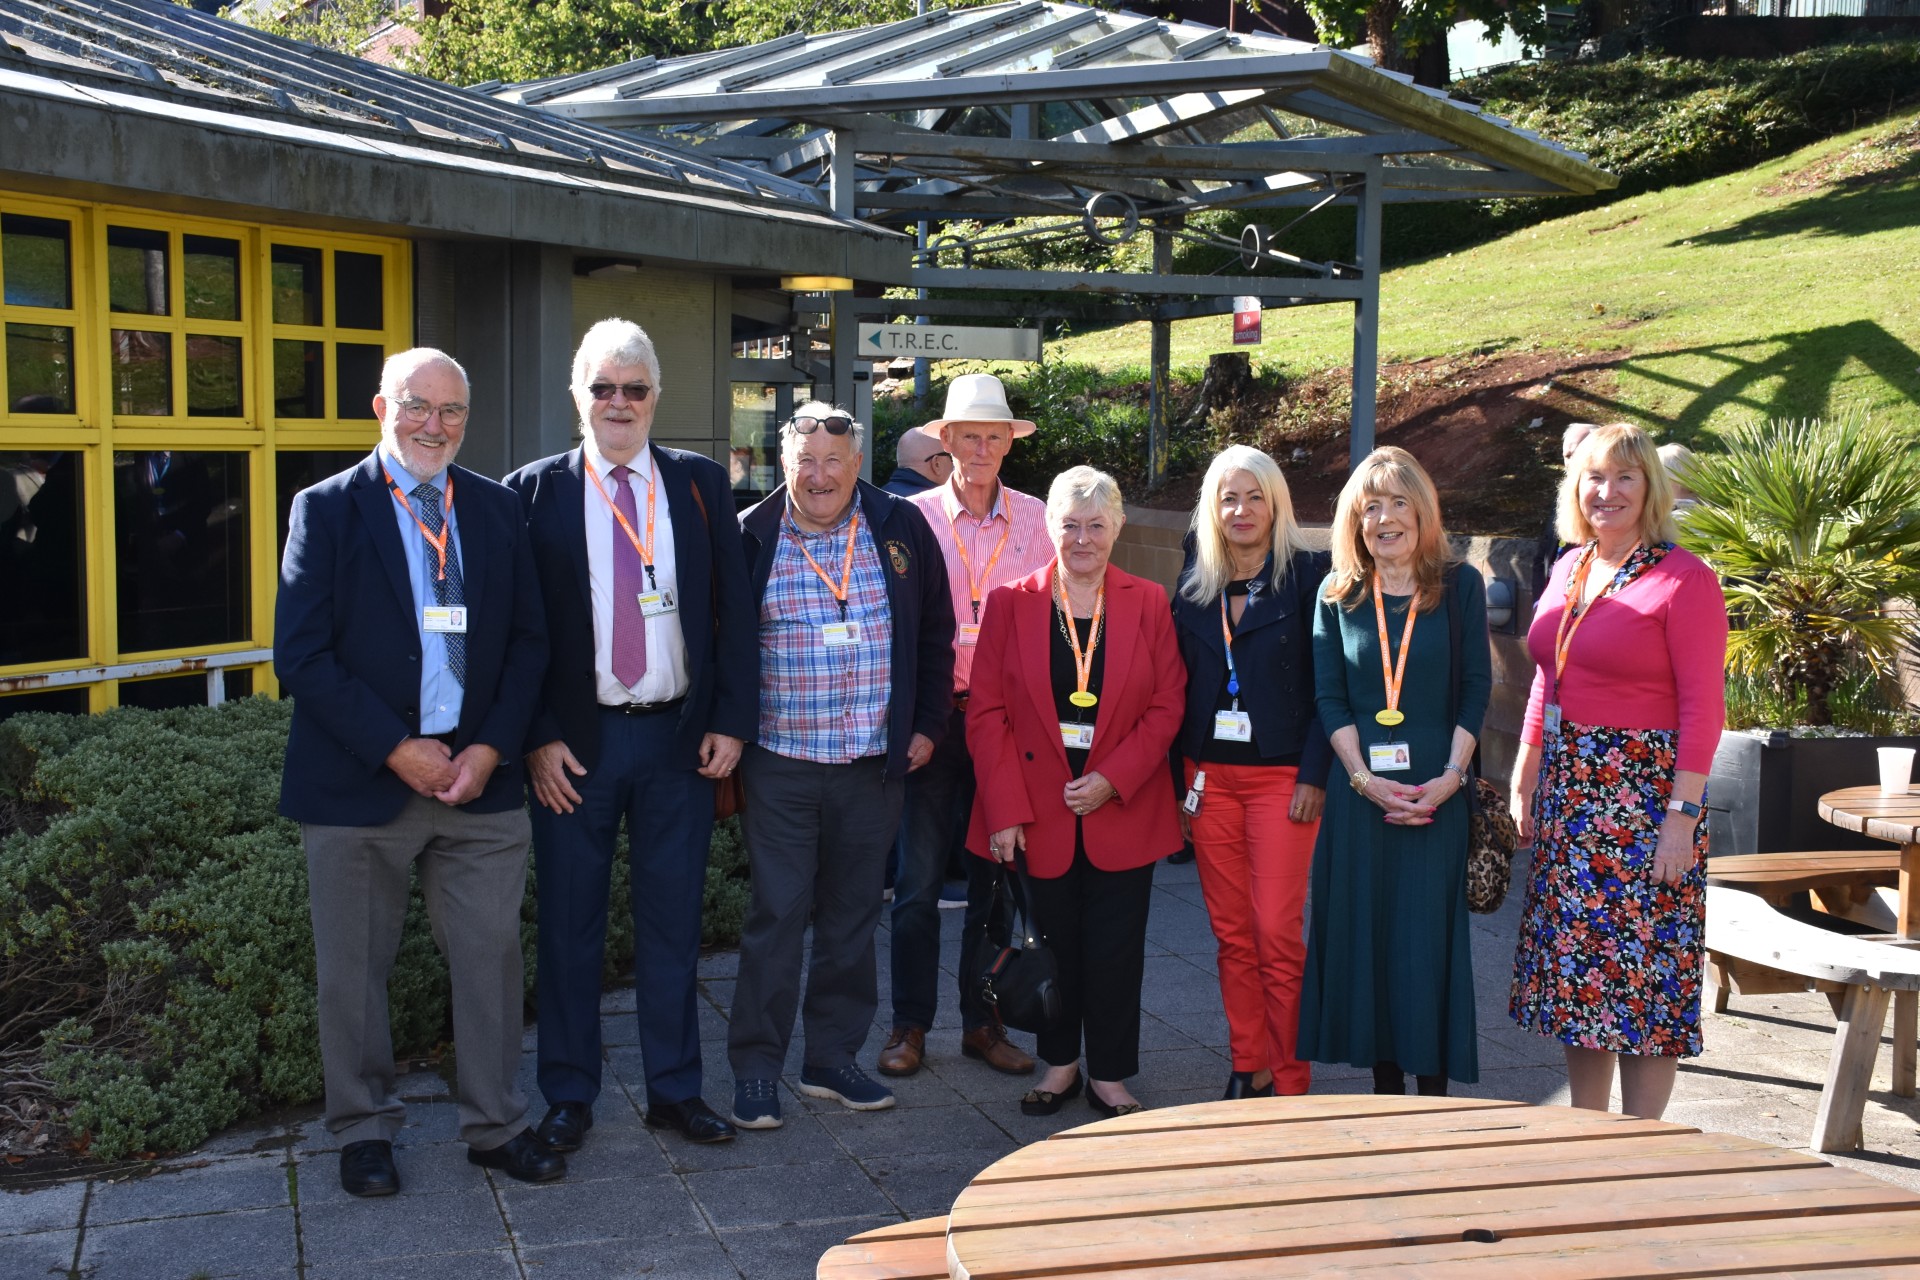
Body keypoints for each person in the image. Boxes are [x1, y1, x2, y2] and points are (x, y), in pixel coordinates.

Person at [275, 348, 558, 1196]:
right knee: (353, 971)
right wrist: (396, 749)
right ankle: (363, 1129)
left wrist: (490, 748)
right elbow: (301, 654)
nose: (434, 425)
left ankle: (496, 1125)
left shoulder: (497, 508)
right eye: (417, 406)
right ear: (381, 408)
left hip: (478, 781)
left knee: (490, 959)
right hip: (361, 781)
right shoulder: (326, 508)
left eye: (452, 410)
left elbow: (529, 643)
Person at [505, 319, 757, 1152]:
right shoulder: (530, 491)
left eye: (635, 389)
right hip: (574, 749)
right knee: (569, 926)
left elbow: (734, 614)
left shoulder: (699, 484)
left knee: (673, 924)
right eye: (603, 387)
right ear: (576, 395)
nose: (619, 402)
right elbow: (515, 632)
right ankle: (568, 1093)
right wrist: (537, 736)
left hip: (678, 742)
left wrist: (730, 720)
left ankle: (674, 1090)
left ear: (656, 397)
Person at [727, 403, 954, 1128]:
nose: (819, 476)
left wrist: (927, 725)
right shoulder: (750, 535)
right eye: (806, 462)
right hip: (781, 764)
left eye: (833, 461)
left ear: (857, 464)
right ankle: (756, 1069)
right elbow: (720, 645)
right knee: (777, 917)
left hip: (871, 766)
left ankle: (830, 1058)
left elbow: (935, 633)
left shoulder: (900, 526)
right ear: (784, 464)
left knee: (853, 919)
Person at [1510, 423, 1728, 1121]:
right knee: (1579, 976)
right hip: (1572, 793)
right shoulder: (1570, 566)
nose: (1608, 492)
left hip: (1645, 801)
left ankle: (1643, 1142)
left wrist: (1681, 819)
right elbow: (1548, 676)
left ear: (1650, 487)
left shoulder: (1684, 578)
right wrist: (1525, 773)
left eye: (1625, 477)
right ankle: (1585, 1128)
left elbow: (1704, 709)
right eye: (1594, 478)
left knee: (1646, 979)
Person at [967, 466, 1186, 1119]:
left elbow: (1168, 704)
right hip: (1039, 812)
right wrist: (1004, 810)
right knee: (1051, 947)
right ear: (1049, 527)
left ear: (1117, 528)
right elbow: (986, 713)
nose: (1083, 538)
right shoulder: (1011, 602)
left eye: (1096, 525)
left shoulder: (1149, 601)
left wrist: (1114, 779)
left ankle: (1111, 1075)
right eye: (1070, 525)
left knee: (1117, 953)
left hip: (1123, 806)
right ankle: (1060, 1065)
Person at [1298, 446, 1490, 1096]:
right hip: (1361, 799)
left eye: (1399, 502)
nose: (1386, 519)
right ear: (1355, 521)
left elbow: (1475, 689)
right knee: (1369, 940)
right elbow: (1330, 697)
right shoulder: (1337, 594)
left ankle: (1433, 1097)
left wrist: (1451, 779)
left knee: (1425, 945)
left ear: (1423, 511)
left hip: (1438, 794)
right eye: (1371, 506)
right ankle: (1385, 1093)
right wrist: (1362, 779)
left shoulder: (1460, 586)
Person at [879, 373, 1053, 1080]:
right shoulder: (909, 518)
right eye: (968, 437)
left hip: (1006, 727)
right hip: (935, 720)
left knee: (995, 882)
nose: (981, 449)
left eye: (993, 437)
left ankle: (984, 1022)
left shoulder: (1038, 518)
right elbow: (893, 624)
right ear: (945, 442)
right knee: (918, 885)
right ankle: (909, 1025)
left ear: (1009, 443)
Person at [1172, 446, 1331, 1101]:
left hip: (1282, 780)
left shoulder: (1311, 576)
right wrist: (1177, 781)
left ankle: (1291, 1079)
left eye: (1255, 496)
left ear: (1276, 504)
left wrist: (1315, 774)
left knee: (1275, 932)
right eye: (1228, 498)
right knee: (1232, 934)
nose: (1242, 510)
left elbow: (1330, 686)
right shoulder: (1194, 580)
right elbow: (1176, 683)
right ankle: (1250, 1062)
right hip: (1208, 779)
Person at [882, 428, 953, 497]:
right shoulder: (938, 502)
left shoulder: (879, 497)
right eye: (951, 456)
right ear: (936, 464)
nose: (953, 463)